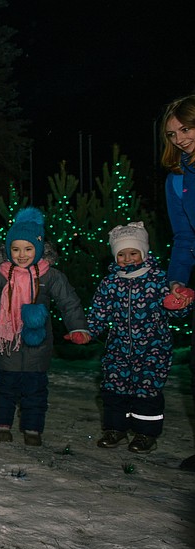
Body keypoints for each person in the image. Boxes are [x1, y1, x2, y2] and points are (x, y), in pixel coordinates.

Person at [0, 207, 89, 446]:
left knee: (35, 388)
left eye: (28, 249)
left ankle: (33, 428)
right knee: (5, 386)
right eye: (16, 249)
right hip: (7, 344)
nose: (21, 255)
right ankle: (0, 423)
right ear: (8, 249)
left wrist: (77, 327)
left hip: (37, 344)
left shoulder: (51, 276)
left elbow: (69, 302)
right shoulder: (0, 275)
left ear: (38, 249)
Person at [82, 222, 187, 454]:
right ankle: (115, 429)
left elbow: (178, 311)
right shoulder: (110, 283)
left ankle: (145, 434)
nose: (128, 259)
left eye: (133, 253)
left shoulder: (160, 279)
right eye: (121, 254)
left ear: (144, 252)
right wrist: (87, 330)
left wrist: (179, 303)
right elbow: (99, 312)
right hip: (118, 348)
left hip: (154, 348)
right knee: (114, 388)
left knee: (146, 391)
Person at [161, 95, 195, 472]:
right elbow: (185, 237)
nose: (180, 139)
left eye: (186, 129)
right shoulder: (177, 181)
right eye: (172, 134)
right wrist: (177, 280)